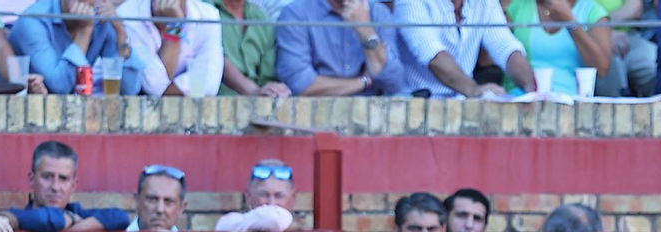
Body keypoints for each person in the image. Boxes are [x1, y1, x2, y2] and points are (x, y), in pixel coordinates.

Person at [393, 0, 538, 97]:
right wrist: (474, 90)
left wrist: (531, 90)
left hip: (464, 105)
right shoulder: (409, 2)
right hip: (415, 106)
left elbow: (506, 46)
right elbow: (433, 55)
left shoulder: (484, 2)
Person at [10, 0, 144, 94]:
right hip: (12, 106)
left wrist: (121, 32)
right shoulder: (33, 20)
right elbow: (60, 87)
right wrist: (85, 31)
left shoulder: (100, 18)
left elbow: (129, 89)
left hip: (65, 113)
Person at [274, 0, 404, 96]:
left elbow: (394, 82)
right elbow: (300, 85)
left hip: (372, 118)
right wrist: (364, 82)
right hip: (314, 116)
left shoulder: (378, 13)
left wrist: (366, 30)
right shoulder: (296, 14)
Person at [9, 141, 130, 232]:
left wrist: (74, 228)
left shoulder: (79, 214)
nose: (55, 187)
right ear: (31, 179)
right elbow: (44, 220)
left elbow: (120, 217)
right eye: (47, 177)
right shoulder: (16, 216)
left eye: (63, 179)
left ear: (73, 185)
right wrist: (70, 219)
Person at [502, 0, 613, 96]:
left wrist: (570, 22)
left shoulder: (593, 12)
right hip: (519, 97)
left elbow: (602, 68)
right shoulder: (517, 6)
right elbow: (489, 56)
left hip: (570, 102)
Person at [118, 0, 225, 95]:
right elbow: (153, 86)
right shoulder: (127, 13)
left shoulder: (208, 15)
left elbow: (210, 83)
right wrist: (175, 27)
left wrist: (165, 93)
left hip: (188, 110)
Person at [218, 0, 290, 96]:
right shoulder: (204, 11)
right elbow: (214, 59)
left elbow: (268, 77)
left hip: (256, 106)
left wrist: (274, 90)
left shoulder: (261, 18)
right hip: (210, 104)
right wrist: (253, 91)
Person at [215, 159, 296, 232]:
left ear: (293, 198)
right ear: (249, 196)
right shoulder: (229, 223)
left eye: (279, 196)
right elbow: (274, 220)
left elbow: (275, 220)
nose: (271, 203)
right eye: (263, 194)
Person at [128, 165, 186, 232]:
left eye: (169, 202)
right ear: (137, 200)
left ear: (181, 208)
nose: (160, 209)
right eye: (152, 200)